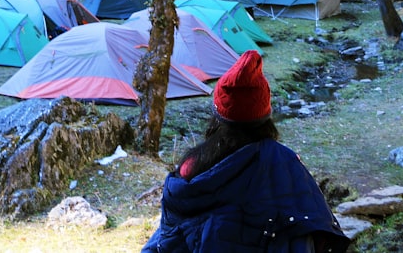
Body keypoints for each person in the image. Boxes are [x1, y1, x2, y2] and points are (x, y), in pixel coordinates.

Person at [142, 51, 350, 253]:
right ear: (265, 116)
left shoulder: (191, 166)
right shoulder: (285, 164)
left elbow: (170, 234)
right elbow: (311, 229)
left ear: (217, 117)